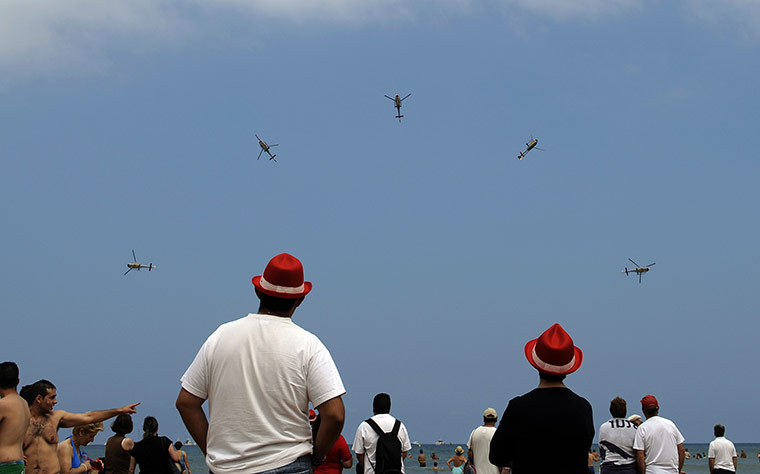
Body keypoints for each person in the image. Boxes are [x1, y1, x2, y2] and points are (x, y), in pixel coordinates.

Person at [176, 253, 346, 474]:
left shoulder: (220, 337)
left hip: (226, 468)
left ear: (258, 291)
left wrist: (212, 452)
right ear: (300, 299)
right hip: (289, 463)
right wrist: (318, 456)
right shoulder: (308, 345)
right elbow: (334, 414)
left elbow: (186, 402)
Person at [489, 323, 594, 474]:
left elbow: (496, 455)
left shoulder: (518, 407)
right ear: (568, 368)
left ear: (537, 365)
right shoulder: (583, 407)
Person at [20, 379, 139, 474]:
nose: (55, 401)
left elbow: (89, 417)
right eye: (51, 398)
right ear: (39, 399)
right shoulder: (20, 420)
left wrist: (120, 410)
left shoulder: (56, 418)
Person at [353, 393, 411, 474]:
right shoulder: (400, 426)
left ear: (373, 408)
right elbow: (404, 452)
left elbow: (359, 454)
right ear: (389, 408)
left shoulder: (364, 426)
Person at [633, 395, 685, 474]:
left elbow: (640, 456)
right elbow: (681, 450)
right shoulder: (670, 424)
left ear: (643, 410)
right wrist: (678, 470)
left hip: (652, 471)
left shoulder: (642, 428)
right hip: (672, 471)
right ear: (658, 408)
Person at [0, 362, 30, 474]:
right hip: (18, 463)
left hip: (3, 465)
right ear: (17, 381)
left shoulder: (3, 404)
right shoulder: (24, 404)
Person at [598, 397, 637, 474]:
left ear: (611, 411)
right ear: (625, 411)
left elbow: (602, 449)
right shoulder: (634, 428)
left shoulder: (604, 427)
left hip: (609, 468)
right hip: (629, 468)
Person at [467, 408, 499, 474]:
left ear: (484, 418)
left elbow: (470, 454)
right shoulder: (498, 434)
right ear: (496, 419)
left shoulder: (474, 432)